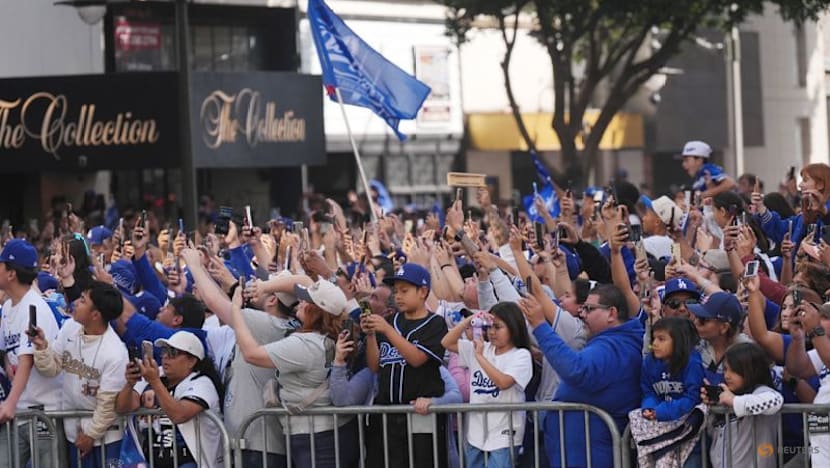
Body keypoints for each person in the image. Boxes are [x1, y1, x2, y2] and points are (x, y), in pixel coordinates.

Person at [228, 279, 355, 468]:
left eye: (306, 300)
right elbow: (302, 281)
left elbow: (251, 354)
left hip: (316, 437)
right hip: (326, 432)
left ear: (316, 310)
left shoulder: (306, 345)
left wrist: (235, 311)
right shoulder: (326, 338)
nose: (300, 302)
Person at [520, 284, 643, 468]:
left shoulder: (613, 346)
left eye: (589, 309)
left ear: (611, 313)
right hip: (581, 452)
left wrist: (540, 325)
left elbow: (576, 369)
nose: (582, 314)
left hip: (593, 454)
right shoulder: (613, 342)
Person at [362, 263, 449, 468]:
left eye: (404, 290)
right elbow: (375, 366)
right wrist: (372, 335)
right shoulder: (389, 322)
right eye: (396, 291)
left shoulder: (435, 323)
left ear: (423, 292)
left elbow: (417, 359)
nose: (398, 296)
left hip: (419, 414)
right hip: (386, 415)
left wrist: (387, 330)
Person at [32, 281, 127, 468]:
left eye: (83, 301)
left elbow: (108, 405)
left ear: (95, 315)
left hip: (105, 439)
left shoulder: (115, 352)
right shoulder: (70, 328)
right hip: (73, 434)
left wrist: (91, 435)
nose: (76, 303)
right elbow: (52, 368)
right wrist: (42, 347)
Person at [441, 302, 533, 468]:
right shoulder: (482, 348)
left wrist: (480, 357)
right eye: (489, 326)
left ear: (513, 327)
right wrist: (469, 320)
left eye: (498, 327)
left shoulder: (521, 355)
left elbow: (504, 382)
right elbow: (446, 342)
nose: (491, 332)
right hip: (476, 432)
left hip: (505, 432)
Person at [115, 331, 225, 468]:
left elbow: (179, 414)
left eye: (173, 353)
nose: (165, 357)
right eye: (164, 351)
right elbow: (122, 407)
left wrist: (154, 382)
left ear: (191, 361)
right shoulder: (157, 373)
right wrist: (130, 383)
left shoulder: (202, 383)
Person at [0, 239, 63, 468]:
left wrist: (9, 403)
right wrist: (7, 365)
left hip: (42, 413)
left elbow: (27, 360)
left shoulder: (33, 307)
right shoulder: (8, 307)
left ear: (11, 274)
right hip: (19, 412)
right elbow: (8, 352)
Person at [702, 343, 783, 468]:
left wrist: (734, 401)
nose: (727, 376)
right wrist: (712, 407)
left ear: (751, 369)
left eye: (734, 370)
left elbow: (775, 400)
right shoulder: (728, 396)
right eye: (725, 369)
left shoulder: (759, 392)